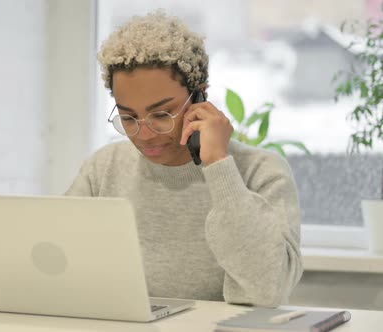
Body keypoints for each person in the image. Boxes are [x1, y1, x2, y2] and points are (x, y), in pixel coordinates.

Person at [65, 11, 302, 307]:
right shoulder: (104, 168)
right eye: (128, 117)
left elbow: (268, 289)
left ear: (199, 97)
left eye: (161, 115)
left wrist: (217, 164)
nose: (145, 134)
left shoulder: (260, 171)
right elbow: (58, 265)